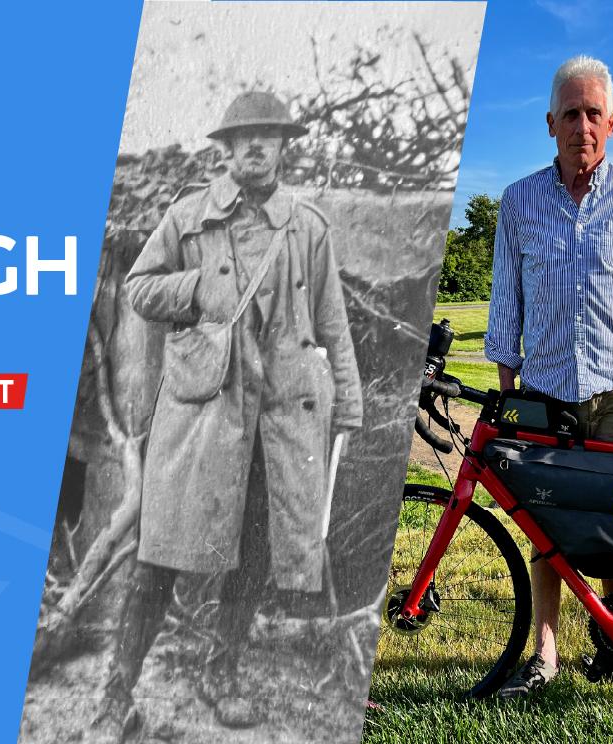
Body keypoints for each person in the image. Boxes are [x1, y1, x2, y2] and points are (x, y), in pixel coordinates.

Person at [90, 91, 362, 739]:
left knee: (255, 548)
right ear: (227, 147)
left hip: (280, 418)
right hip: (206, 411)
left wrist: (347, 400)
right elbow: (138, 290)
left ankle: (221, 669)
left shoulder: (308, 226)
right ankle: (115, 694)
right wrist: (196, 290)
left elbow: (332, 323)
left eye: (268, 136)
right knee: (162, 547)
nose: (256, 147)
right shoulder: (188, 219)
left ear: (282, 145)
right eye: (244, 137)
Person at [485, 55, 613, 701]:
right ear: (550, 123)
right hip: (546, 394)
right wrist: (508, 392)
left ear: (612, 122)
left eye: (593, 113)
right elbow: (505, 303)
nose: (582, 125)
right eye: (570, 113)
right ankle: (544, 654)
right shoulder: (519, 201)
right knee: (546, 528)